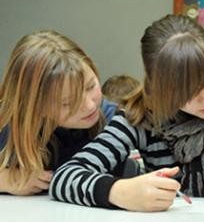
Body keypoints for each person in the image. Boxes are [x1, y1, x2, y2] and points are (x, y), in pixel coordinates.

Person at [50, 15, 204, 211]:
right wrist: (118, 191)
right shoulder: (140, 118)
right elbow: (65, 177)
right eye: (186, 91)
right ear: (157, 87)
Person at [0, 31, 117, 195]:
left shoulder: (113, 118)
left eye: (91, 86)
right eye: (68, 103)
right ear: (36, 107)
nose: (90, 105)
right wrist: (6, 180)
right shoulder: (8, 126)